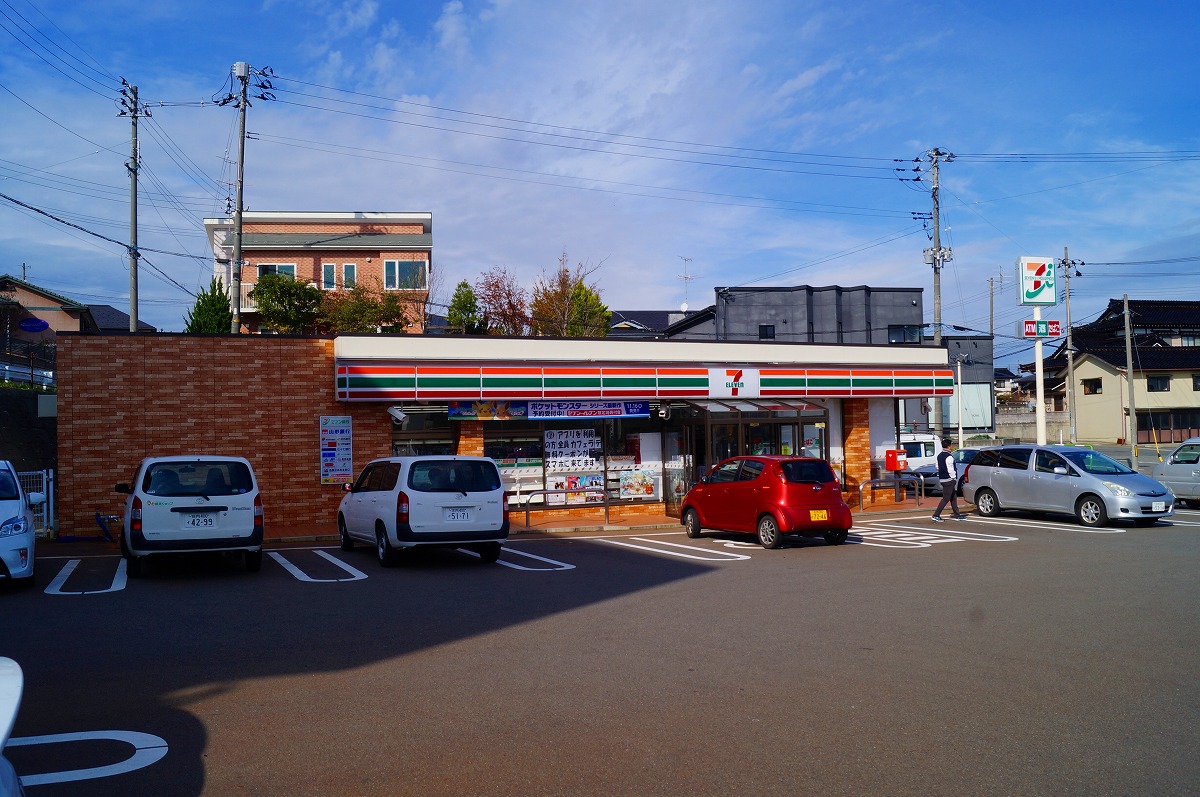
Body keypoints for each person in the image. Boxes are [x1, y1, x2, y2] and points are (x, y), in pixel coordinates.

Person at [931, 437, 967, 522]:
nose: (951, 446)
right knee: (946, 498)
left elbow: (937, 466)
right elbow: (950, 468)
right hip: (949, 480)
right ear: (949, 446)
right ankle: (936, 515)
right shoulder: (949, 457)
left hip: (943, 479)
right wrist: (953, 477)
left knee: (953, 497)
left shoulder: (939, 455)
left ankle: (957, 515)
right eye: (951, 445)